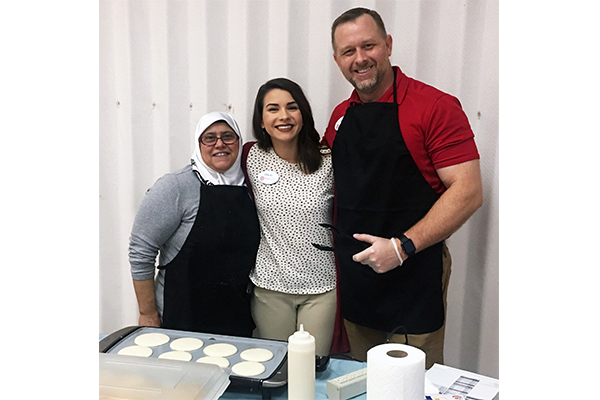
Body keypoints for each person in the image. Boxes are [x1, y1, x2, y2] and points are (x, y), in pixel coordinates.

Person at [323, 8, 484, 368]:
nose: (360, 59)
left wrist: (401, 247)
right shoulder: (339, 116)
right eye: (349, 51)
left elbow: (469, 190)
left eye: (369, 46)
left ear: (389, 45)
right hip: (358, 279)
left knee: (410, 382)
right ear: (337, 59)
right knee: (361, 379)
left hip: (414, 274)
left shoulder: (435, 107)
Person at [128, 111, 260, 337]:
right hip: (180, 314)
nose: (220, 144)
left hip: (234, 315)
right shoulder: (176, 186)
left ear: (239, 141)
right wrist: (147, 313)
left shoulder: (252, 186)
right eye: (209, 138)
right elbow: (141, 250)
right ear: (198, 144)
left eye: (228, 136)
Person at [243, 78, 336, 356]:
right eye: (273, 109)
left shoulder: (328, 159)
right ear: (261, 121)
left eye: (291, 107)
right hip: (271, 288)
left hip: (321, 288)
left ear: (303, 114)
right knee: (275, 368)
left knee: (314, 369)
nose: (283, 116)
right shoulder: (251, 156)